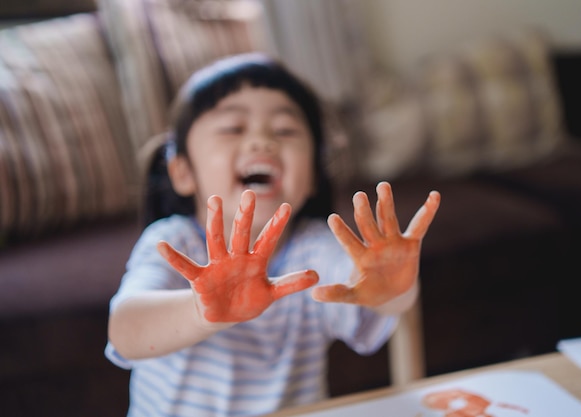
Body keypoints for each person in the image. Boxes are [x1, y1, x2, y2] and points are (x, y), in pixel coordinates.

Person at [105, 52, 440, 417]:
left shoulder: (315, 251)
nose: (262, 141)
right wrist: (203, 311)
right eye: (233, 128)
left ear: (313, 173)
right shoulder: (172, 241)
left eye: (285, 130)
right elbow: (125, 331)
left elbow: (370, 294)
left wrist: (391, 288)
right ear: (183, 171)